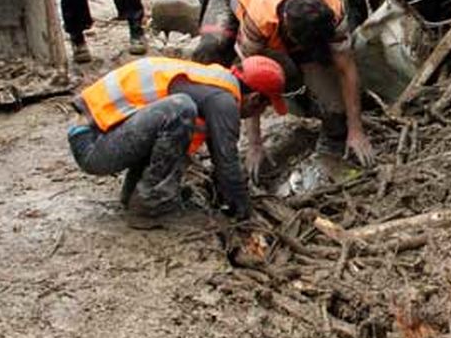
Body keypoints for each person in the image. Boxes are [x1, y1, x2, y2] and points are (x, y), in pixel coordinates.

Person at [195, 0, 374, 169]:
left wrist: (356, 130)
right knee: (211, 52)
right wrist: (255, 145)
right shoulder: (260, 19)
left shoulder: (333, 9)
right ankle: (205, 123)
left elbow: (346, 68)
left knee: (335, 111)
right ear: (288, 31)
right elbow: (252, 77)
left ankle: (317, 119)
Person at [68, 55, 288, 227]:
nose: (257, 114)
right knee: (180, 109)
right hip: (93, 147)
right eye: (264, 107)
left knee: (175, 118)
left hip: (94, 135)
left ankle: (137, 195)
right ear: (255, 98)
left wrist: (231, 196)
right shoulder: (222, 101)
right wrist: (244, 210)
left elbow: (219, 154)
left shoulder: (213, 84)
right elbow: (226, 160)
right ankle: (150, 205)